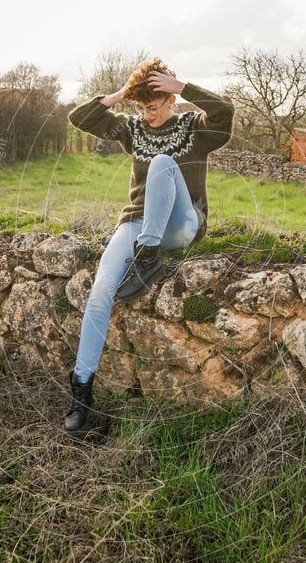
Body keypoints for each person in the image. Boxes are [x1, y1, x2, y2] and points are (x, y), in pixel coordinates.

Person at [64, 57, 235, 434]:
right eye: (141, 107)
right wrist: (122, 93)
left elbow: (225, 112)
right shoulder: (133, 130)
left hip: (181, 223)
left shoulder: (194, 127)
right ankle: (81, 392)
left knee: (161, 162)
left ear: (171, 101)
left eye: (153, 107)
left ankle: (148, 257)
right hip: (136, 222)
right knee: (100, 292)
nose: (147, 115)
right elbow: (80, 118)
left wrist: (183, 88)